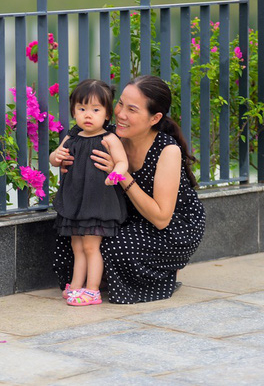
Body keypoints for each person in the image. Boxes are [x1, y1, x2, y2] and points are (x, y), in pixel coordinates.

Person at [53, 75, 206, 304]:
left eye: (132, 109)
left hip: (169, 227)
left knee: (116, 247)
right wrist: (67, 163)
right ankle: (99, 279)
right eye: (120, 103)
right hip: (122, 214)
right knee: (71, 237)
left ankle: (159, 272)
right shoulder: (108, 134)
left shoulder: (167, 150)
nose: (121, 114)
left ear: (154, 118)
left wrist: (122, 175)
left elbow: (161, 218)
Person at [49, 79, 128, 306]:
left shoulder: (109, 138)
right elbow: (54, 157)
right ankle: (75, 286)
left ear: (107, 114)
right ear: (74, 110)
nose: (88, 115)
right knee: (76, 245)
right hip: (75, 201)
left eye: (95, 110)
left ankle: (92, 290)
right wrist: (57, 157)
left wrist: (116, 173)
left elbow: (122, 162)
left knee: (92, 246)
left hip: (97, 202)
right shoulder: (72, 136)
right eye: (82, 109)